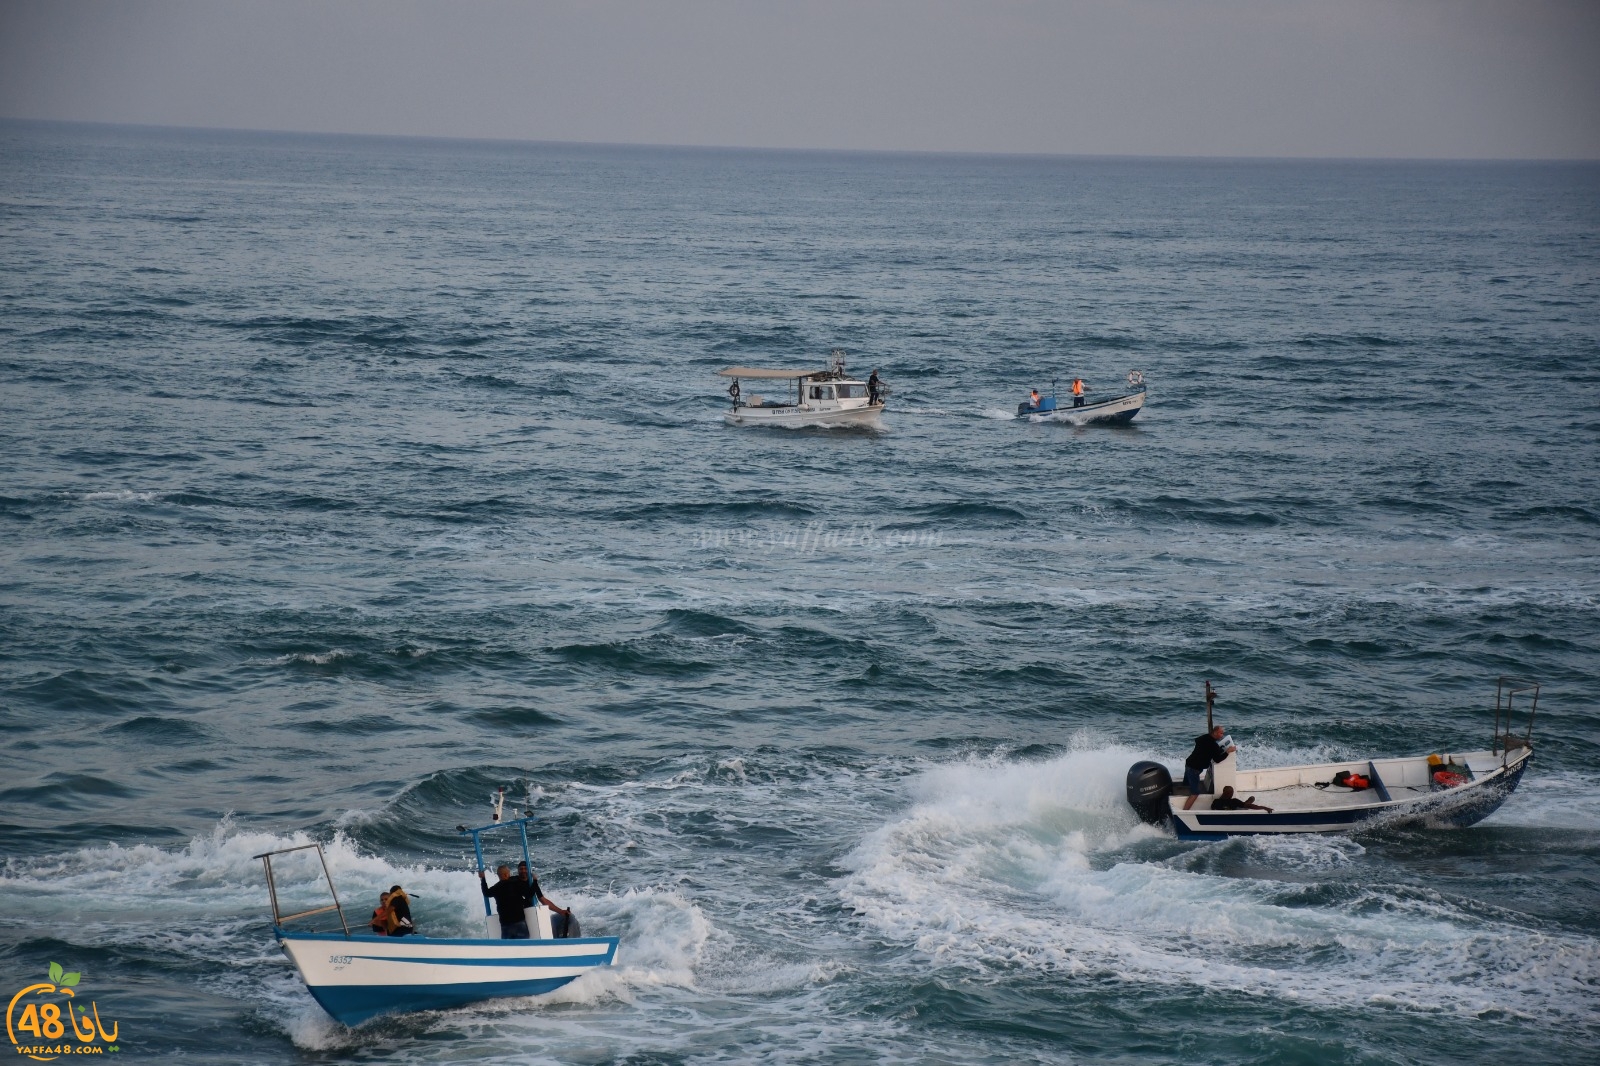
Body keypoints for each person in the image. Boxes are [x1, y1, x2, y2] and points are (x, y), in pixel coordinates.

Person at [1182, 724, 1237, 810]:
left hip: (1189, 763)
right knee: (1195, 793)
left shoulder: (1205, 737)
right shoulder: (1213, 745)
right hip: (1194, 768)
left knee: (1186, 784)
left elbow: (1199, 741)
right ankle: (1184, 811)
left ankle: (1181, 793)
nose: (1222, 735)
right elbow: (1218, 759)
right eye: (1221, 733)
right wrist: (1228, 751)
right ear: (1215, 733)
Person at [517, 860, 575, 938]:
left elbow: (543, 900)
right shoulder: (514, 881)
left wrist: (560, 911)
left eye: (525, 868)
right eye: (521, 869)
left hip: (530, 915)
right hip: (518, 916)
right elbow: (528, 894)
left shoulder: (532, 883)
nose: (523, 871)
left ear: (529, 870)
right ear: (518, 870)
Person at [480, 864, 531, 939]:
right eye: (509, 873)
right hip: (519, 922)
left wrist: (483, 879)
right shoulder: (516, 884)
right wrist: (534, 881)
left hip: (505, 925)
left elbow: (486, 893)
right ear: (506, 874)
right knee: (523, 947)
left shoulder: (496, 888)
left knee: (507, 949)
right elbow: (528, 893)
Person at [1209, 785, 1273, 814]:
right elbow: (1250, 806)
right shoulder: (1234, 801)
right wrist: (1264, 807)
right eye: (1232, 793)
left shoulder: (1216, 801)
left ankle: (1250, 799)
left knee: (1244, 804)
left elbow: (1213, 808)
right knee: (1247, 803)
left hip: (1235, 807)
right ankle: (1251, 799)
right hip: (1238, 808)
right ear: (1230, 793)